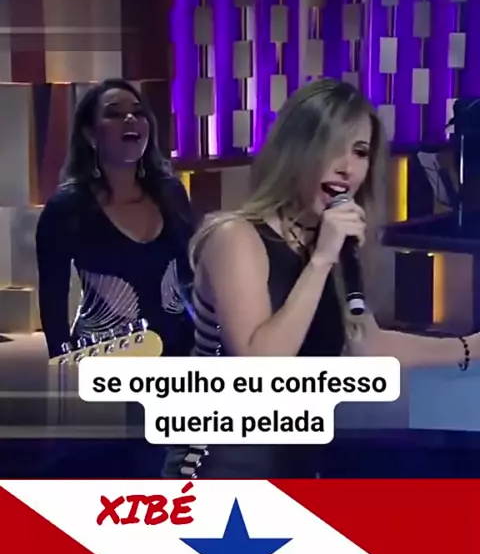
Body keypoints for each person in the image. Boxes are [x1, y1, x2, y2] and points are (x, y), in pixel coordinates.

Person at [162, 77, 480, 480]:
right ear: (297, 149)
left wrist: (469, 347)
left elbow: (366, 344)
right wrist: (322, 259)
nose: (347, 167)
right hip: (219, 470)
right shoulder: (235, 237)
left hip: (300, 466)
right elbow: (260, 367)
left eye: (360, 152)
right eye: (332, 147)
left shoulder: (328, 245)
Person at [36, 78, 195, 360]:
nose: (130, 118)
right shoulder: (66, 208)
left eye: (138, 111)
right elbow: (53, 304)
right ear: (90, 135)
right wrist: (63, 367)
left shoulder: (171, 193)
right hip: (106, 358)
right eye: (114, 113)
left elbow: (190, 277)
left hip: (180, 354)